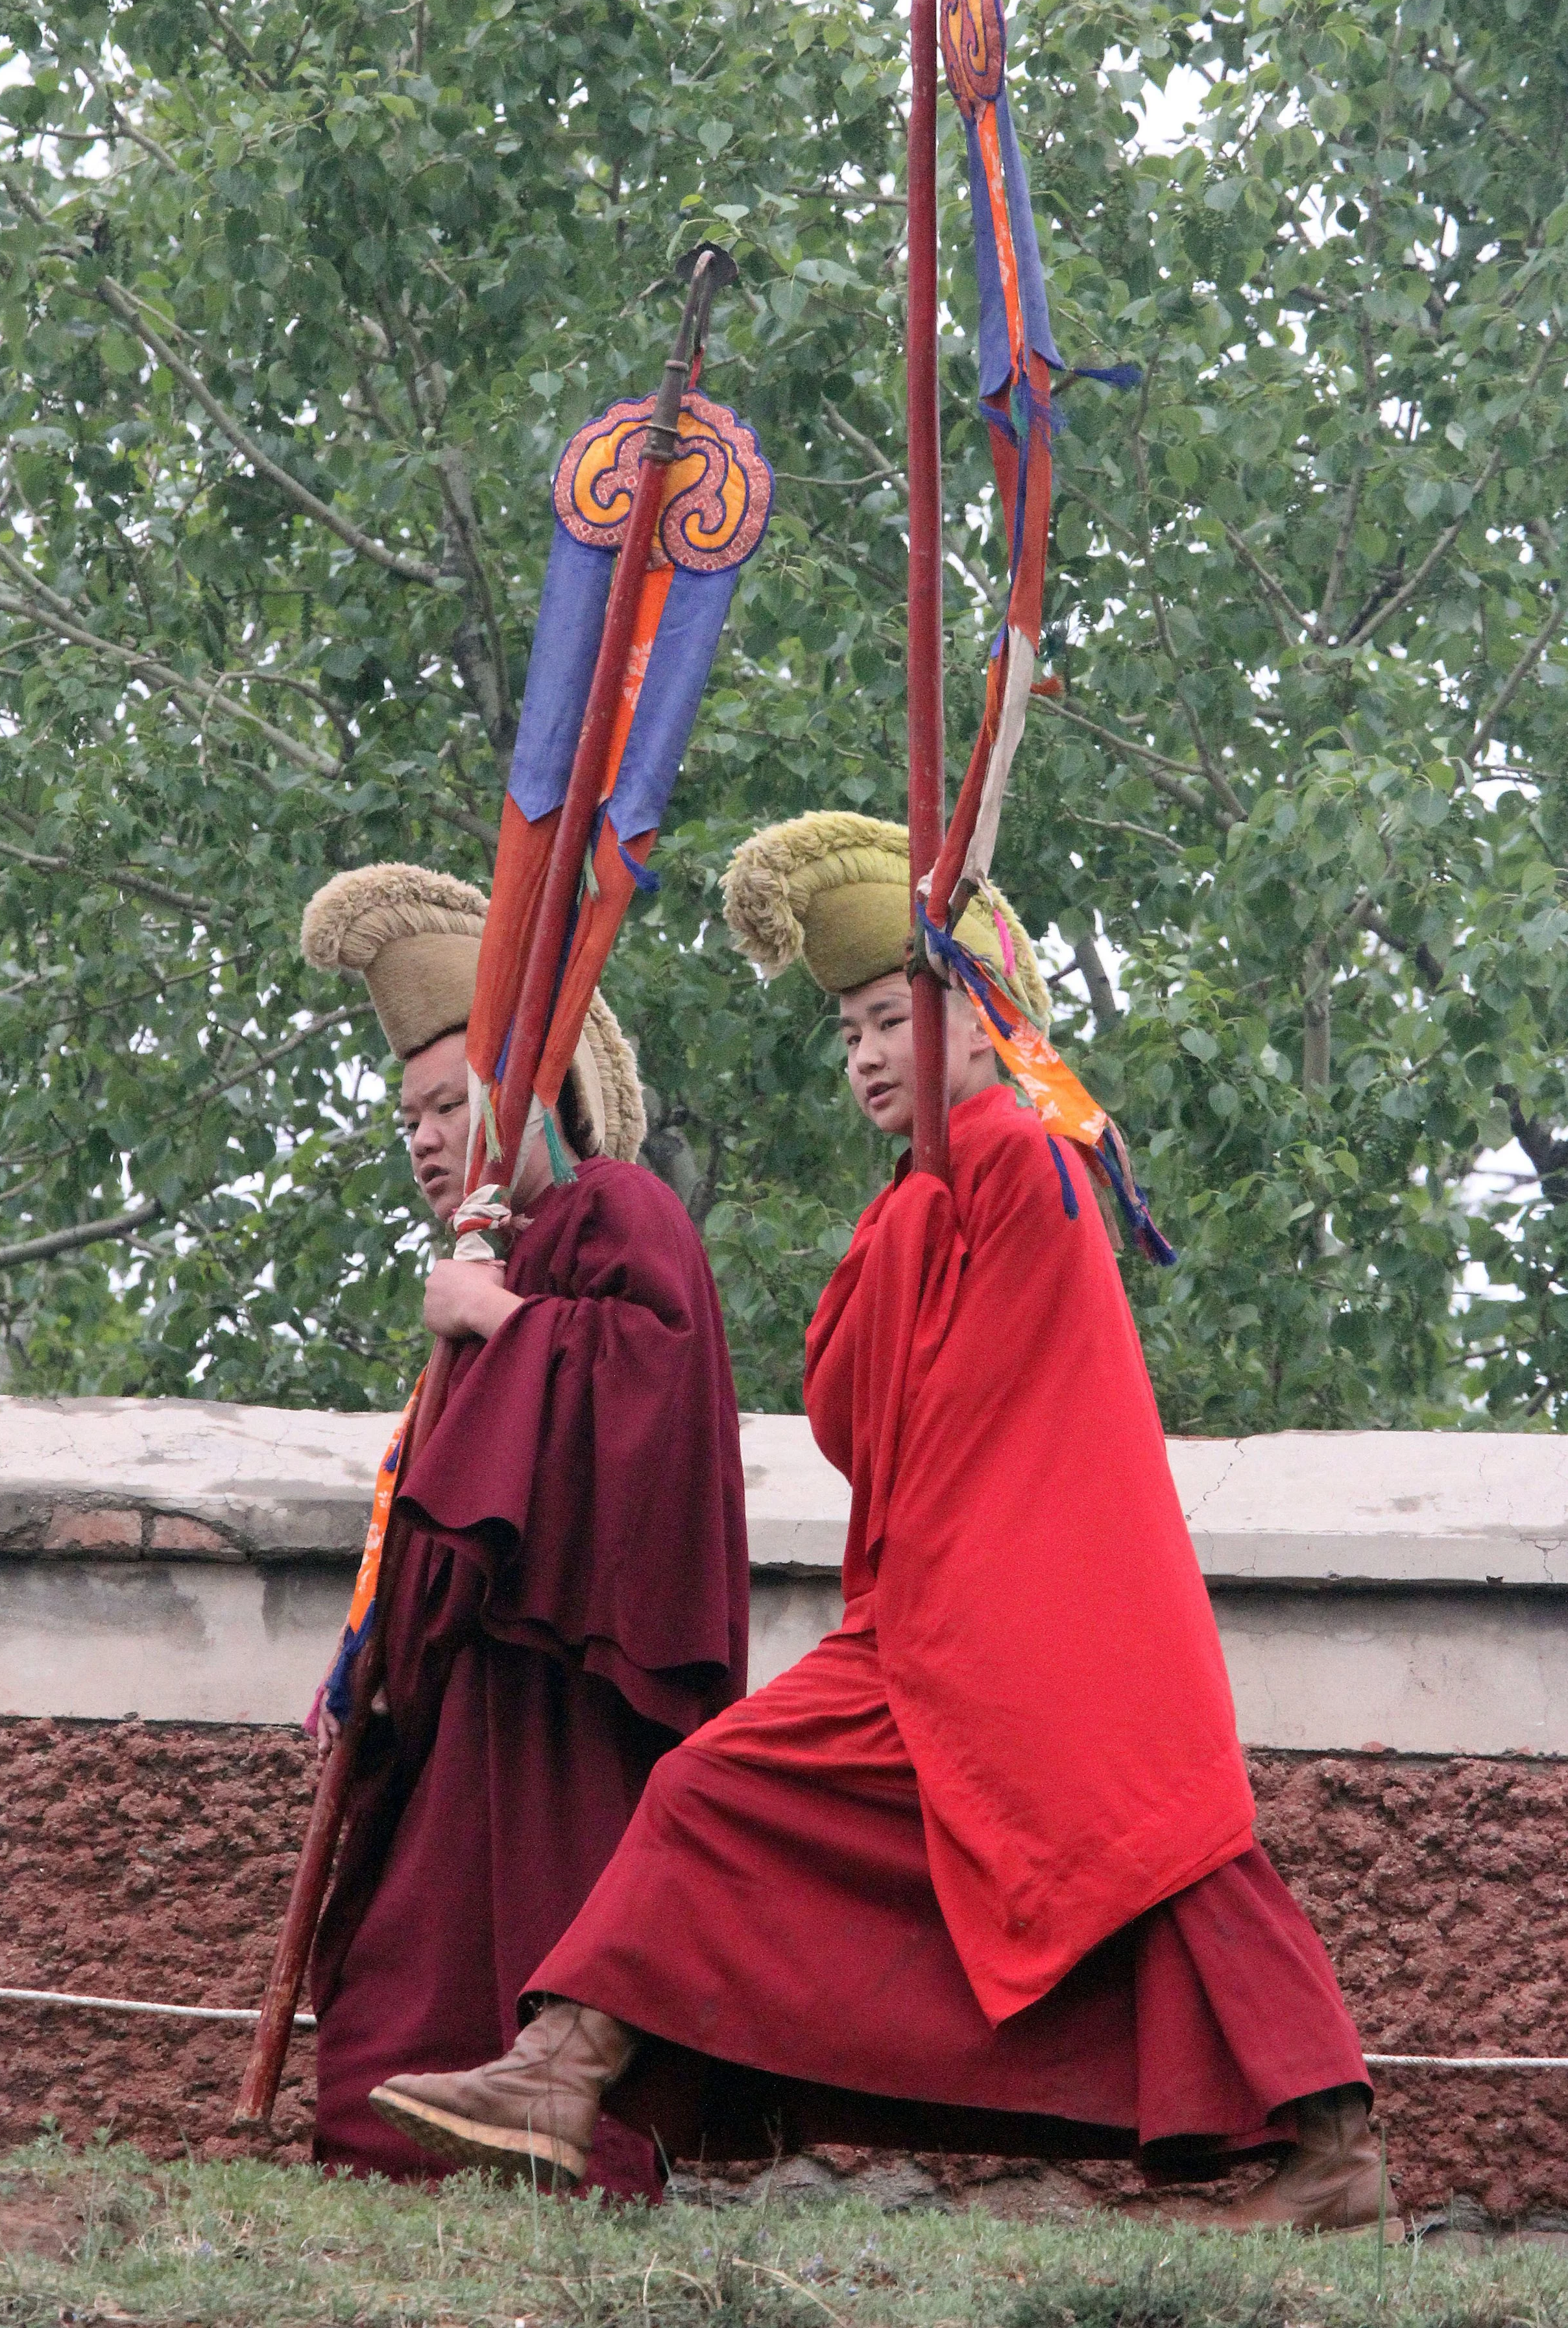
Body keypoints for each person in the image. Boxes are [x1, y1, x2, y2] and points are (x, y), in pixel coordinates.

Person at [366, 816, 1393, 2238]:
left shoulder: (1022, 1155)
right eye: (846, 1029)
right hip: (963, 1618)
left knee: (1164, 1854)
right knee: (1156, 1860)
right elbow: (862, 1410)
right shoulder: (934, 1190)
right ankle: (1332, 2157)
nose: (860, 1052)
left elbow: (954, 1353)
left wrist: (950, 1160)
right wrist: (922, 1191)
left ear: (977, 1017)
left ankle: (563, 2066)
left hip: (1029, 1614)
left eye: (885, 1016)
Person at [297, 862, 748, 2194]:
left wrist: (500, 1322)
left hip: (570, 1687)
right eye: (409, 1120)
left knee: (555, 1943)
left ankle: (575, 2155)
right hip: (468, 1701)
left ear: (530, 1099)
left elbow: (653, 1388)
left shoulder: (615, 1209)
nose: (428, 1139)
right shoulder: (490, 1261)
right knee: (400, 1989)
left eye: (451, 1106)